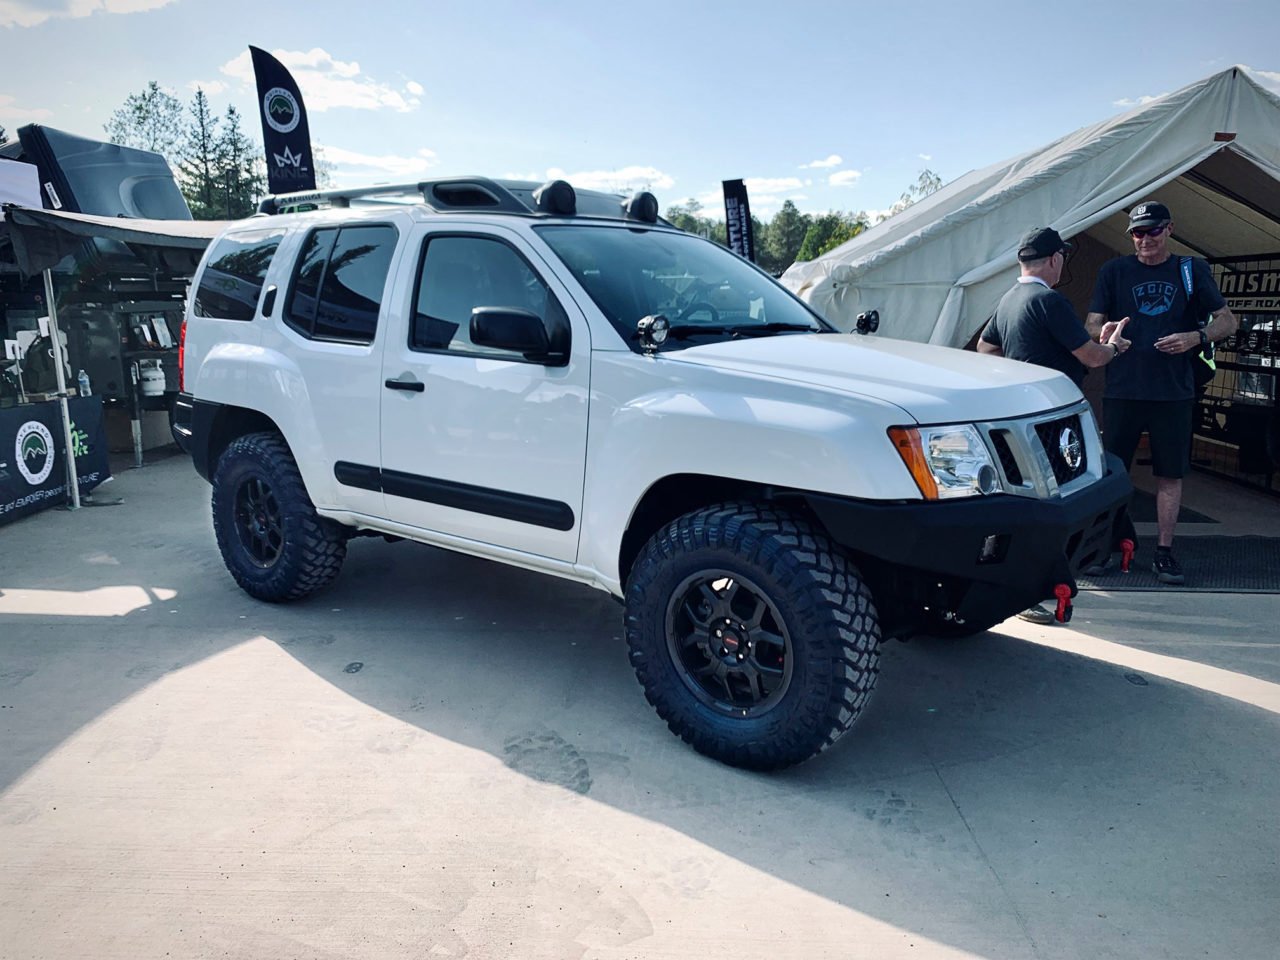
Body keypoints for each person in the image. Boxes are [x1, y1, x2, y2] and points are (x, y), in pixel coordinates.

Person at [978, 226, 1132, 623]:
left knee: (1029, 506)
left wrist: (1017, 368)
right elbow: (1092, 358)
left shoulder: (1009, 299)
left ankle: (1020, 590)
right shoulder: (1051, 302)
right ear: (1054, 260)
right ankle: (1031, 592)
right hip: (1053, 421)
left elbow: (985, 348)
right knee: (1056, 509)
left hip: (1020, 418)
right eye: (1061, 256)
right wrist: (1113, 346)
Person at [1085, 200, 1238, 584]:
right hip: (1124, 389)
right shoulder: (1114, 270)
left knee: (1170, 474)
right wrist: (1102, 336)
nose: (1145, 239)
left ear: (1169, 229)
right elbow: (1091, 324)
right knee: (1113, 473)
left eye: (1153, 230)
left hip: (1174, 392)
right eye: (1138, 232)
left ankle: (1165, 552)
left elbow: (1227, 320)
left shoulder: (1191, 270)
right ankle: (1108, 545)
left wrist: (1195, 337)